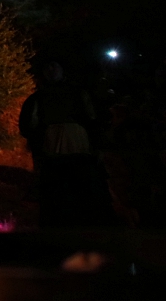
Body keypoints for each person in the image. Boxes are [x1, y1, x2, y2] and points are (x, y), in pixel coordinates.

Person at [18, 61, 112, 227]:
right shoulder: (37, 98)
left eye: (55, 66)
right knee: (56, 197)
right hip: (52, 154)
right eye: (47, 66)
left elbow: (92, 120)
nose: (51, 70)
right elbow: (28, 127)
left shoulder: (78, 93)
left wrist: (98, 147)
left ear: (63, 70)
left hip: (79, 153)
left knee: (83, 196)